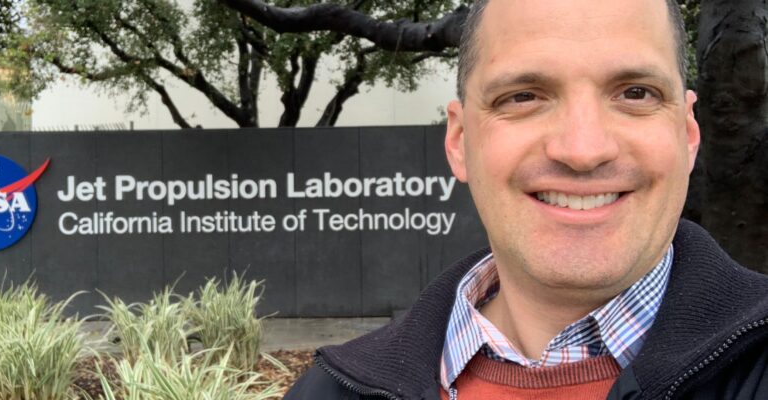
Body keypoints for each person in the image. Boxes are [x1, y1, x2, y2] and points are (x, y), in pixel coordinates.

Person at [284, 0, 768, 399]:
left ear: (686, 135)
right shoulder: (329, 391)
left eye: (635, 92)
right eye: (523, 97)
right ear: (459, 142)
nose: (583, 150)